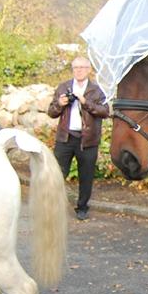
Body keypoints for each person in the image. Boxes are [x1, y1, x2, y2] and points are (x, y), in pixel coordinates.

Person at [47, 56, 110, 220]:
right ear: (72, 70)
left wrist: (84, 101)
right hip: (65, 137)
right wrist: (60, 104)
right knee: (57, 174)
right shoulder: (64, 87)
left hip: (88, 139)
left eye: (82, 67)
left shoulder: (96, 90)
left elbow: (104, 111)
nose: (79, 70)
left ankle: (82, 207)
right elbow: (51, 112)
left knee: (86, 176)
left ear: (89, 70)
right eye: (76, 68)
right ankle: (54, 207)